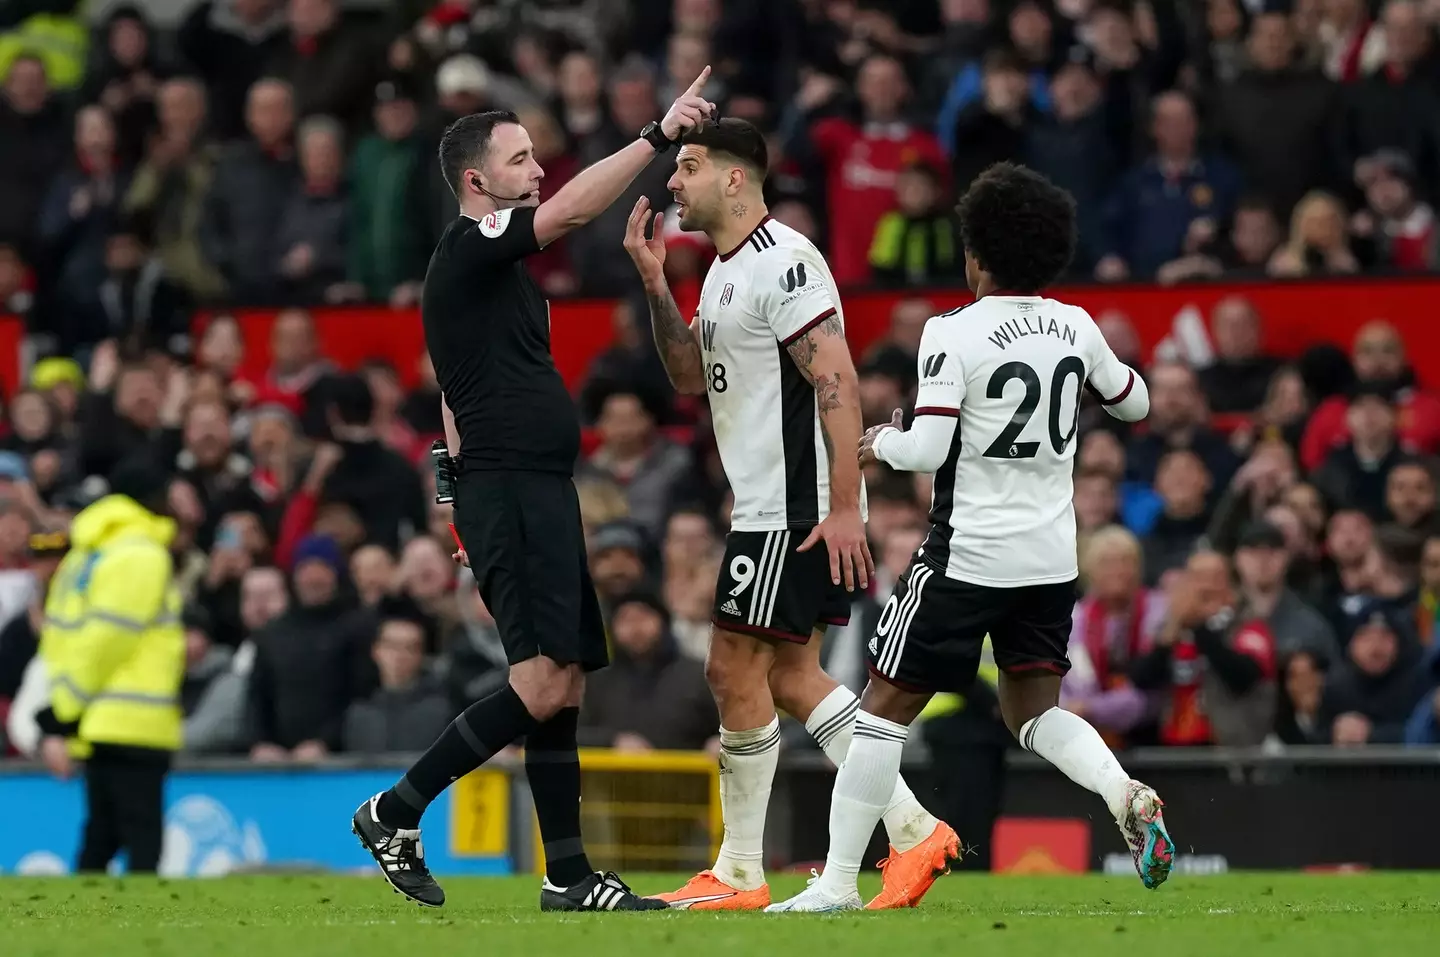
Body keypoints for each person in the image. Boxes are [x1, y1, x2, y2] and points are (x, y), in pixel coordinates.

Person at [351, 68, 717, 912]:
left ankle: (568, 874)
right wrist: (657, 137)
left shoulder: (495, 276)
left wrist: (453, 492)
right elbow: (575, 212)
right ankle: (393, 808)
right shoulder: (472, 244)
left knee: (567, 683)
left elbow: (453, 389)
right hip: (512, 490)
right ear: (478, 183)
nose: (538, 169)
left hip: (530, 490)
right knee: (542, 684)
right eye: (520, 160)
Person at [768, 163, 1164, 913]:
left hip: (969, 554)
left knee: (881, 709)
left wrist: (880, 441)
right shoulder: (1076, 324)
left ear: (975, 255)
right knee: (1034, 711)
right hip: (1050, 558)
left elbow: (926, 451)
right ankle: (1124, 791)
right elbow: (1136, 401)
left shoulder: (952, 331)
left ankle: (835, 884)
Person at [623, 118, 955, 912]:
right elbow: (686, 378)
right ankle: (912, 828)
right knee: (788, 674)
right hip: (774, 501)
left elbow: (839, 380)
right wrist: (654, 280)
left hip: (794, 504)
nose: (674, 182)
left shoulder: (788, 260)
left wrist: (844, 508)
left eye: (690, 166)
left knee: (732, 667)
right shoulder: (723, 272)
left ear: (736, 178)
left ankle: (740, 869)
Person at [35, 457, 185, 873]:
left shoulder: (87, 557)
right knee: (139, 843)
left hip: (100, 716)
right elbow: (108, 640)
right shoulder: (140, 554)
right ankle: (136, 932)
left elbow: (66, 639)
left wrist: (65, 706)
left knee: (101, 835)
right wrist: (66, 710)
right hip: (135, 719)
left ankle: (78, 927)